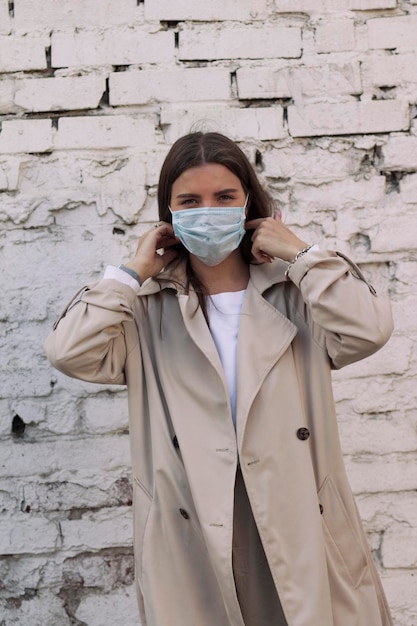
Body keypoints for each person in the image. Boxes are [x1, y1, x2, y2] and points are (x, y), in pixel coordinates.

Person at [45, 131, 394, 626]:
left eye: (224, 197)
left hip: (297, 511)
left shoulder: (296, 293)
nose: (208, 210)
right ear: (169, 215)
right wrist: (130, 273)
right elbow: (68, 351)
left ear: (248, 202)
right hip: (192, 517)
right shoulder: (146, 308)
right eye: (190, 201)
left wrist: (302, 255)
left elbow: (369, 329)